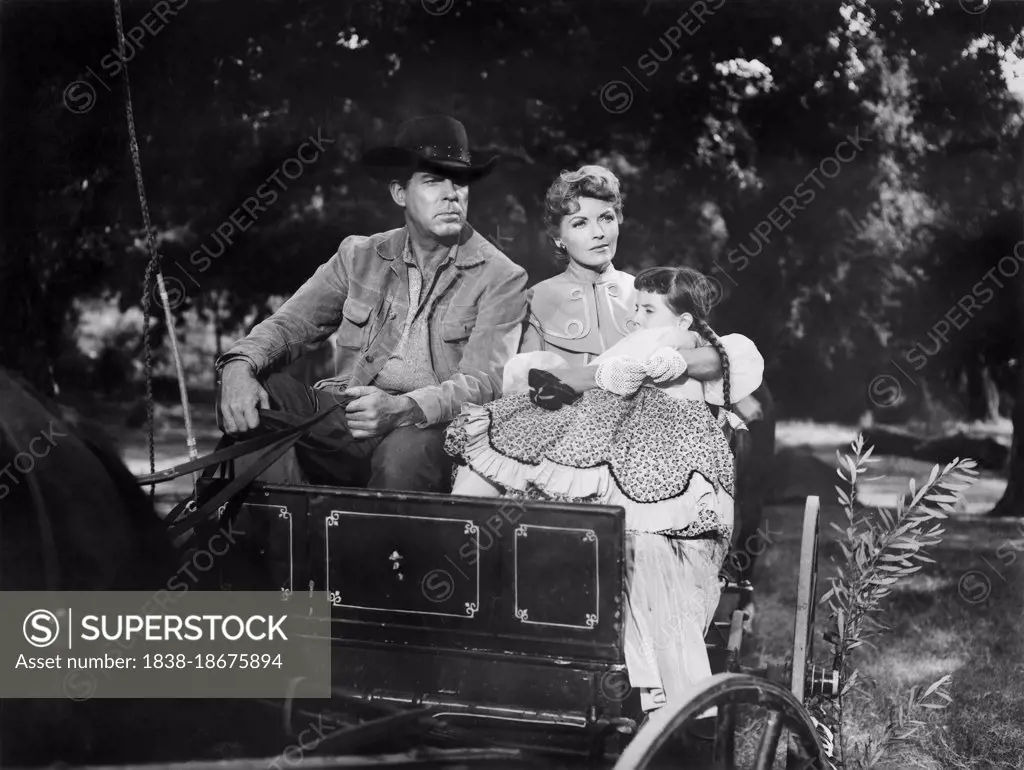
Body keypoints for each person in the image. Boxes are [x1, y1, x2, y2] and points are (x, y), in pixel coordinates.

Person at [444, 266, 764, 716]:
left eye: (647, 309)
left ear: (684, 320)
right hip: (616, 441)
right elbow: (590, 379)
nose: (635, 318)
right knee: (518, 453)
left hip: (665, 451)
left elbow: (724, 358)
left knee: (647, 544)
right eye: (635, 308)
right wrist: (561, 380)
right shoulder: (633, 346)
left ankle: (663, 690)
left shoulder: (691, 343)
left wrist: (661, 359)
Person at [214, 115, 528, 493]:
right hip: (348, 410)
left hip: (428, 427)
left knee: (402, 457)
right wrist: (238, 366)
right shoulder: (358, 255)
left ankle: (382, 551)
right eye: (432, 181)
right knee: (259, 394)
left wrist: (403, 409)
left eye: (459, 181)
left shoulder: (502, 276)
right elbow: (289, 325)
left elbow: (483, 384)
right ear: (399, 193)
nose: (451, 194)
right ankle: (292, 536)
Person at [513, 163, 763, 413]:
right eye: (580, 223)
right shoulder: (536, 300)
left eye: (607, 218)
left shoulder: (649, 294)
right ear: (558, 237)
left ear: (619, 220)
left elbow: (717, 356)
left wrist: (674, 363)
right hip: (570, 435)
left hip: (652, 430)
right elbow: (524, 387)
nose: (599, 233)